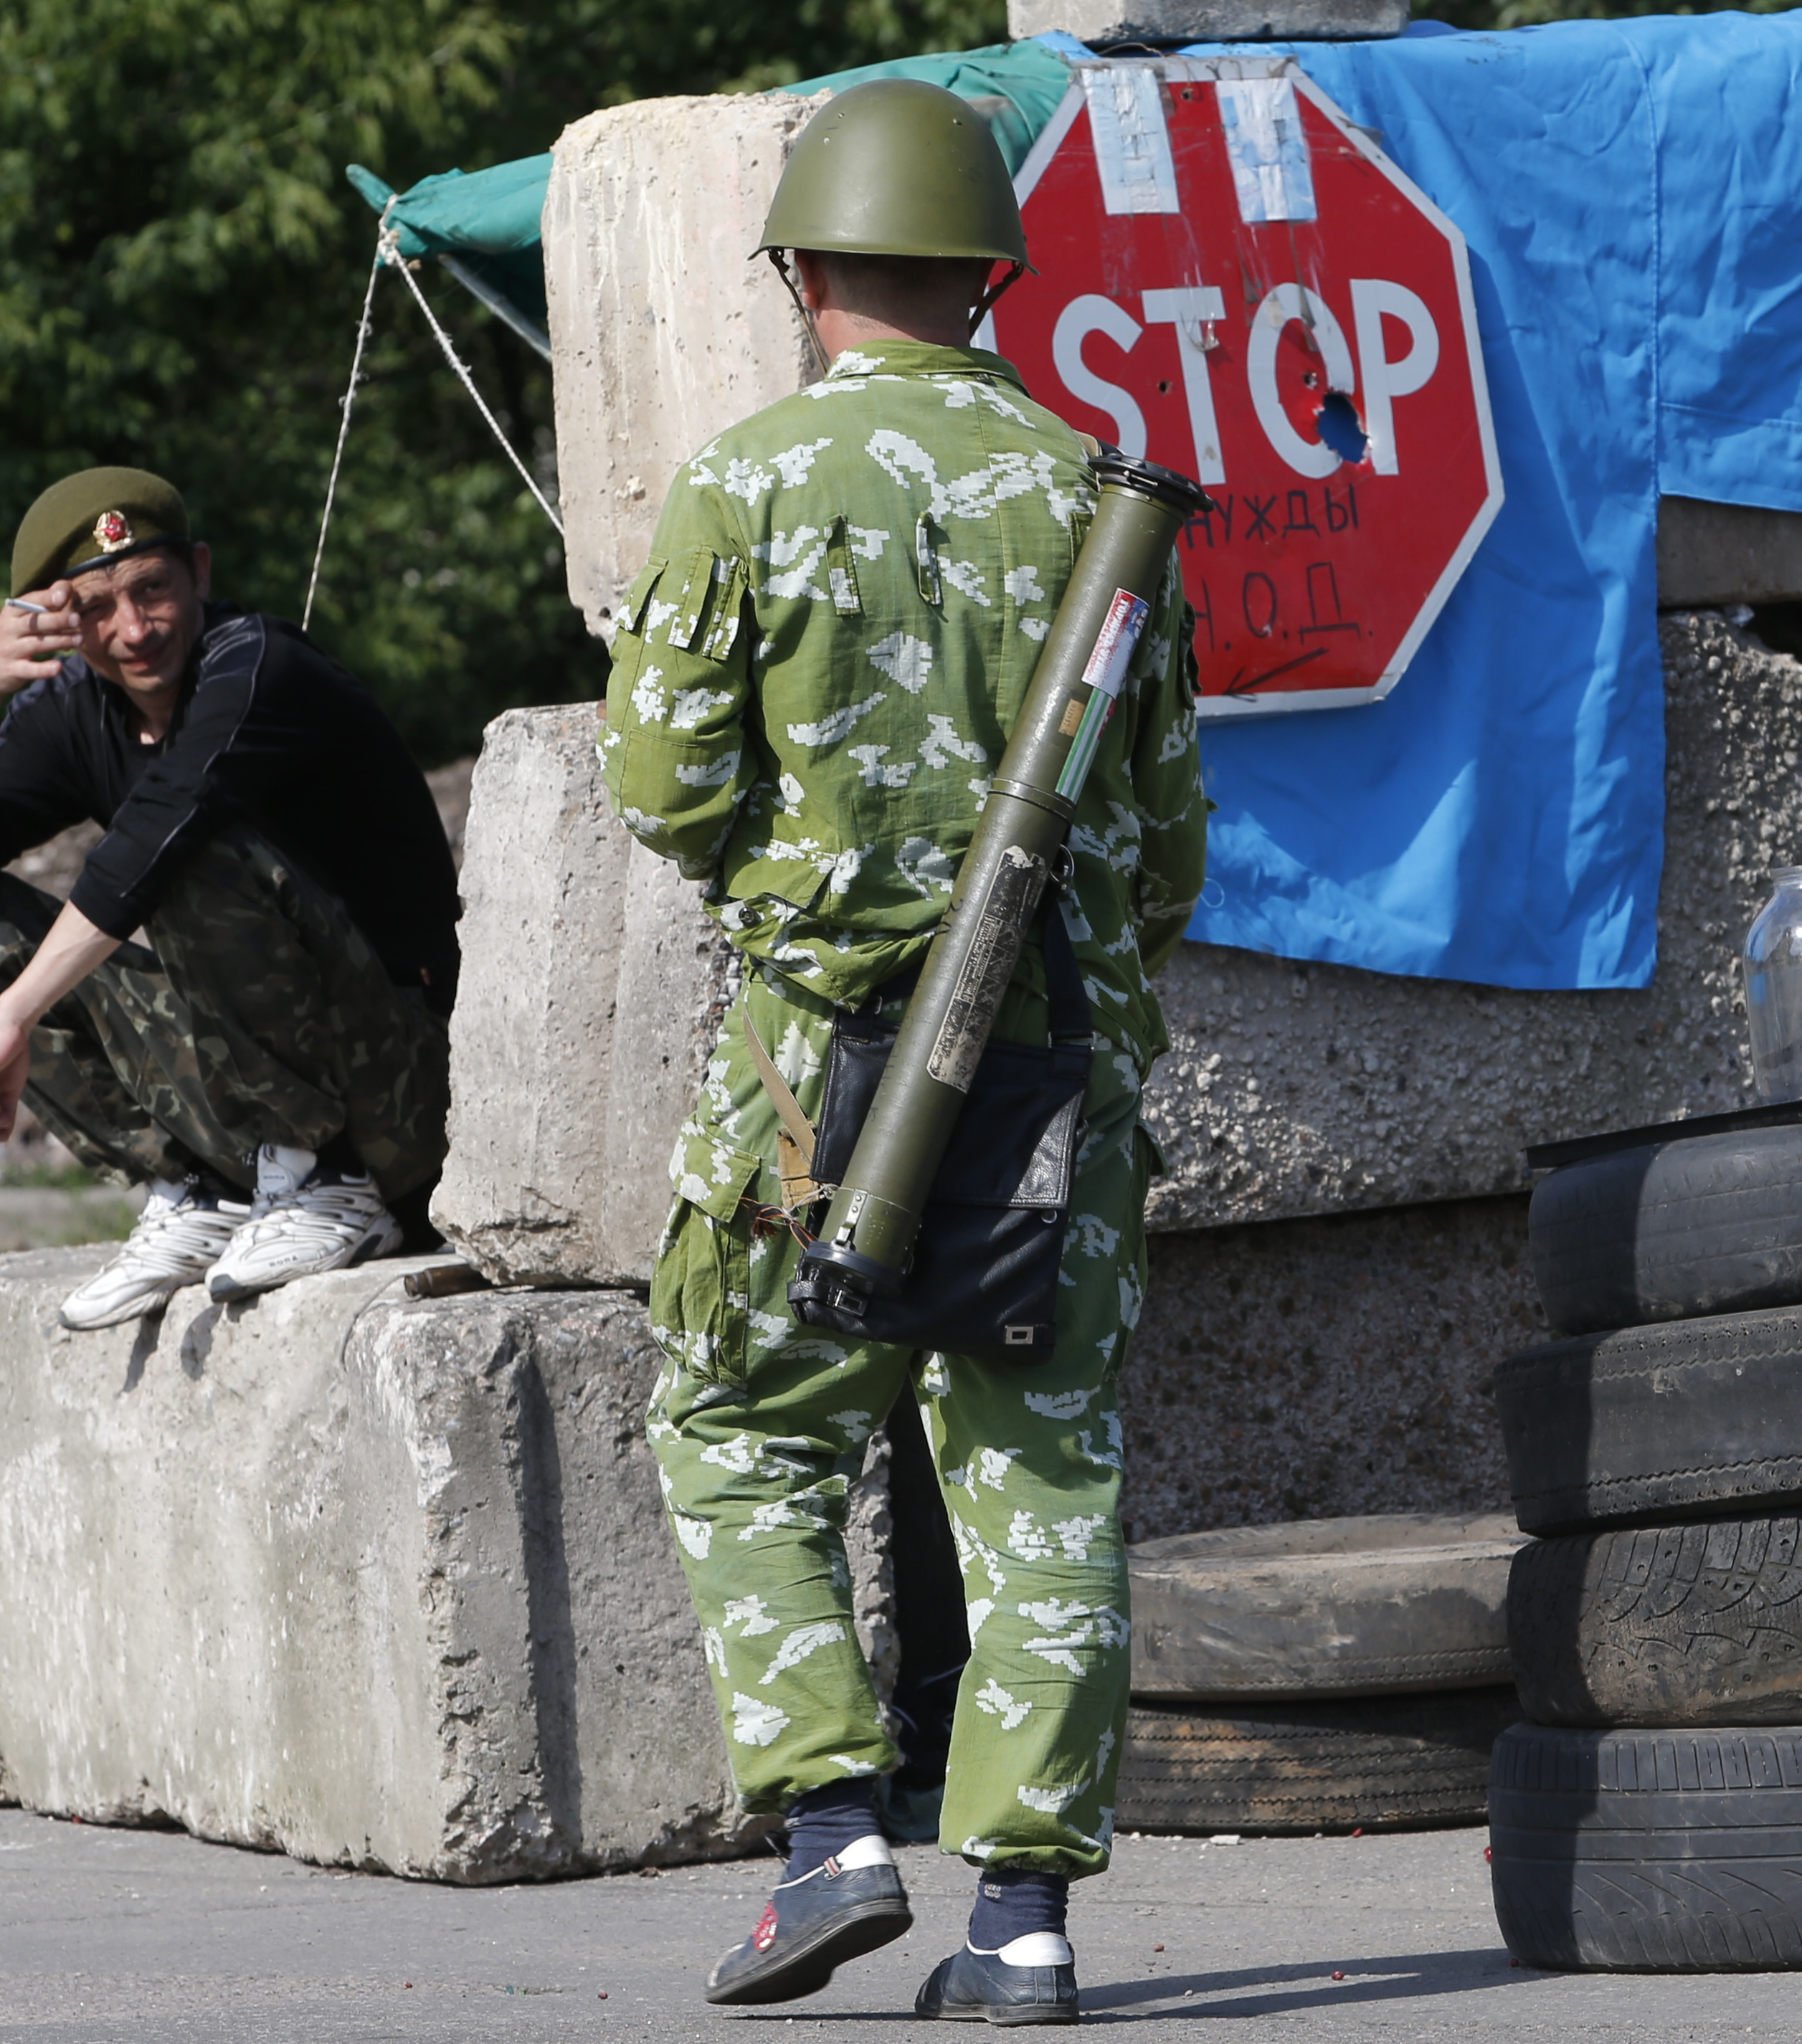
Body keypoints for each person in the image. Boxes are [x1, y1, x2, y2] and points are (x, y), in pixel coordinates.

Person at [602, 80, 1207, 2025]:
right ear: (987, 275)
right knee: (1041, 1483)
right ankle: (1022, 1928)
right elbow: (1170, 830)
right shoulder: (1097, 492)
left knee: (742, 1426)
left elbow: (666, 788)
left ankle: (826, 1837)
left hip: (814, 1078)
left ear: (802, 266)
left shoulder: (750, 481)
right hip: (1059, 1067)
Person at [0, 467, 456, 1328]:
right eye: (98, 607)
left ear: (201, 575)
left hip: (406, 1089)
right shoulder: (76, 709)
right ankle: (204, 1190)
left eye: (154, 590)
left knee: (183, 847)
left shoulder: (258, 667)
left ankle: (329, 1182)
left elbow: (150, 846)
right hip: (251, 1113)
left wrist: (13, 1017)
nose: (135, 628)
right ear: (55, 619)